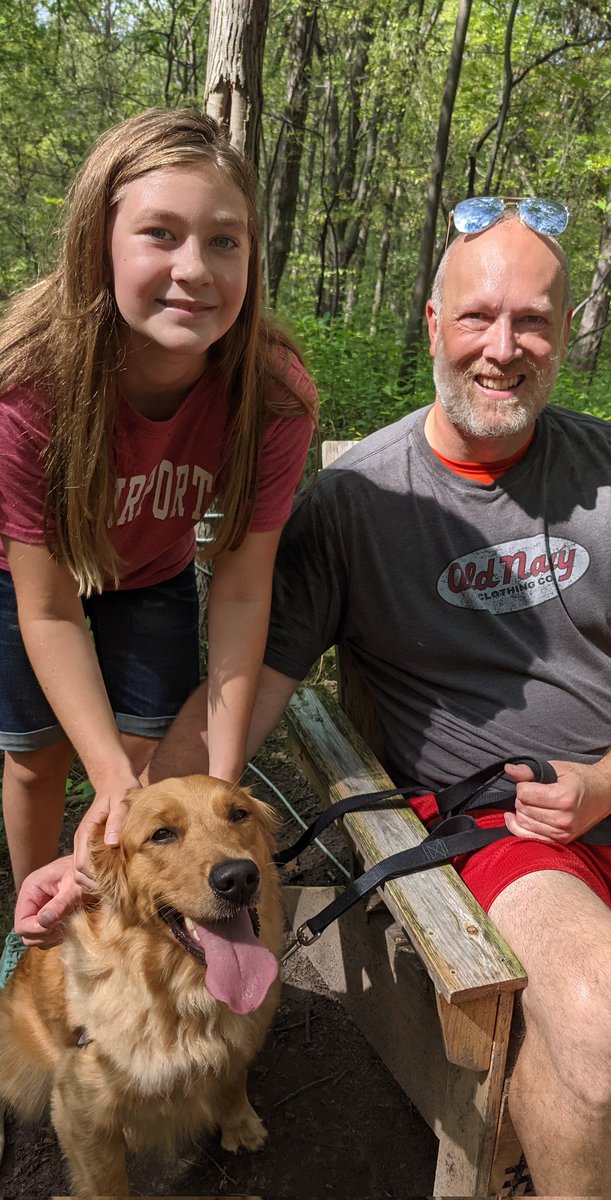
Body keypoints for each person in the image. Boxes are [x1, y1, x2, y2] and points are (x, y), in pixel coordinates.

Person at [14, 203, 611, 1195]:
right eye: (476, 318)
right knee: (591, 1021)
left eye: (533, 321)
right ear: (429, 323)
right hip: (516, 827)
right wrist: (106, 844)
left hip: (594, 783)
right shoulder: (354, 503)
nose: (502, 348)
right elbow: (234, 704)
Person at [0, 107, 317, 986]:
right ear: (99, 243)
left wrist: (217, 784)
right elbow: (50, 606)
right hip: (31, 581)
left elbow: (245, 588)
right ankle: (36, 928)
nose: (194, 270)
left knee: (154, 761)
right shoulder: (29, 390)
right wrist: (106, 782)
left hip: (153, 570)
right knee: (36, 759)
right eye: (160, 235)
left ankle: (140, 929)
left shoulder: (273, 394)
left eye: (225, 242)